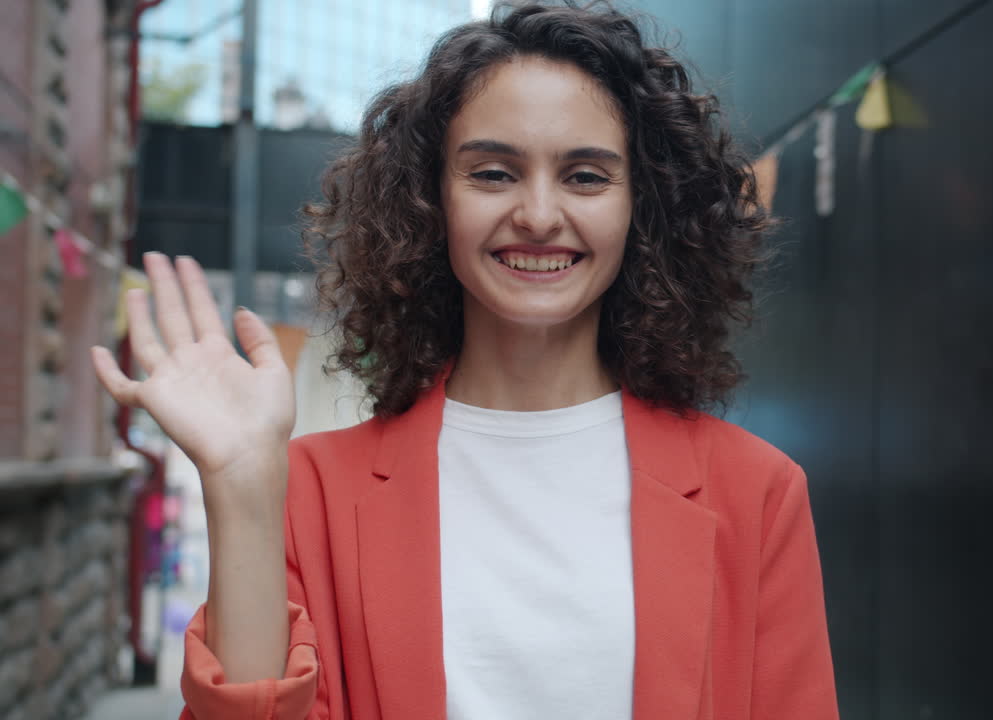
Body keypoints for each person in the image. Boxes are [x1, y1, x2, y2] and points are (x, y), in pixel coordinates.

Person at [91, 2, 839, 718]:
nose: (540, 216)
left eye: (585, 175)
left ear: (643, 206)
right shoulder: (310, 492)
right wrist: (239, 488)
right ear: (428, 201)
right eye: (492, 173)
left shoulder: (757, 494)